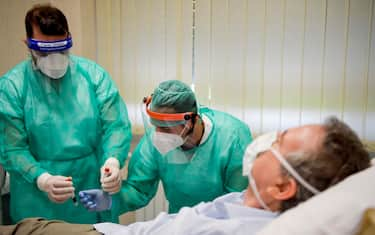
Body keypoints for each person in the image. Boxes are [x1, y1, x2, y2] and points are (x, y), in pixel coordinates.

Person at [0, 116, 370, 235]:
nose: (267, 141)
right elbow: (134, 194)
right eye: (153, 123)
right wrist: (101, 192)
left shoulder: (231, 139)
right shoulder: (158, 143)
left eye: (281, 141)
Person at [0, 4, 132, 224]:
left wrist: (113, 161)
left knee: (96, 229)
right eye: (44, 51)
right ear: (28, 44)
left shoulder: (93, 76)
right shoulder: (13, 87)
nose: (54, 59)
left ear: (69, 39)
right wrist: (41, 178)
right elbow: (12, 148)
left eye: (61, 49)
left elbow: (115, 126)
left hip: (90, 182)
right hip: (35, 196)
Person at [113, 79, 252, 215]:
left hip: (222, 225)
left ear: (190, 122)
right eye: (155, 126)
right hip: (180, 223)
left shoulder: (233, 139)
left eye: (166, 128)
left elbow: (237, 203)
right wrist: (109, 201)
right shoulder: (153, 141)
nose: (159, 134)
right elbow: (138, 189)